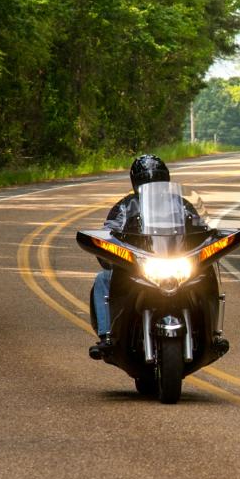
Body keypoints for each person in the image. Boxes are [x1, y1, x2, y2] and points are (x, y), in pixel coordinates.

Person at [89, 154, 207, 360]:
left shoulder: (182, 204)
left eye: (157, 179)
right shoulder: (126, 206)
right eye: (146, 180)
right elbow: (109, 230)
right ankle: (107, 336)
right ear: (136, 183)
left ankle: (211, 334)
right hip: (137, 265)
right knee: (102, 279)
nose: (153, 184)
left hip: (177, 261)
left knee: (206, 276)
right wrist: (108, 245)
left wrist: (209, 237)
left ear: (166, 179)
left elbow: (202, 228)